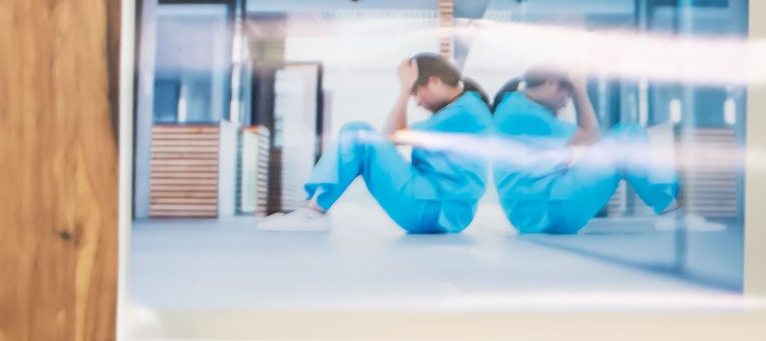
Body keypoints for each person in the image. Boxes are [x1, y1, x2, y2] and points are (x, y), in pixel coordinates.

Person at [259, 53, 493, 234]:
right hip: (438, 208)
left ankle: (312, 213)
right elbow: (390, 138)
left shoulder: (464, 112)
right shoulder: (461, 110)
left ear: (434, 82)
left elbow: (392, 136)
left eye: (416, 92)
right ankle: (311, 209)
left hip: (433, 208)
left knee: (357, 133)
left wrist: (404, 90)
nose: (417, 103)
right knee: (360, 135)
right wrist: (408, 89)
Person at [489, 65, 680, 233]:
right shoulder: (525, 112)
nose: (565, 103)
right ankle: (670, 208)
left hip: (534, 213)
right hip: (549, 207)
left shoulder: (514, 106)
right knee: (628, 135)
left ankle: (670, 198)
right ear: (550, 83)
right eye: (568, 95)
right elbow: (589, 134)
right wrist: (579, 89)